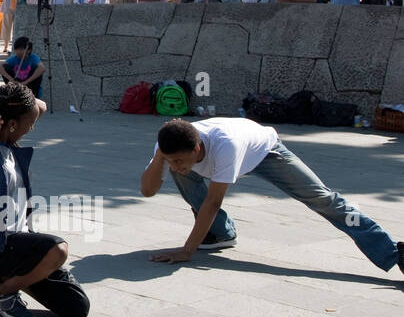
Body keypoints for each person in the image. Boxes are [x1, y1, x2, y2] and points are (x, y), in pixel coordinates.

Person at [141, 117, 404, 278]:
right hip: (219, 154)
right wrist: (159, 158)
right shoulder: (168, 147)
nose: (174, 165)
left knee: (322, 199)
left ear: (197, 148)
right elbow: (148, 191)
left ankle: (393, 253)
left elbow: (213, 200)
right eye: (169, 159)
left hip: (264, 151)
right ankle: (221, 234)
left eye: (178, 160)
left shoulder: (225, 146)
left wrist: (187, 251)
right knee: (184, 176)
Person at [0, 83, 89, 317]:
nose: (32, 128)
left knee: (77, 307)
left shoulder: (10, 144)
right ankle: (3, 291)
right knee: (58, 249)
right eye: (30, 124)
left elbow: (40, 105)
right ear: (13, 124)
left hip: (20, 243)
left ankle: (6, 278)